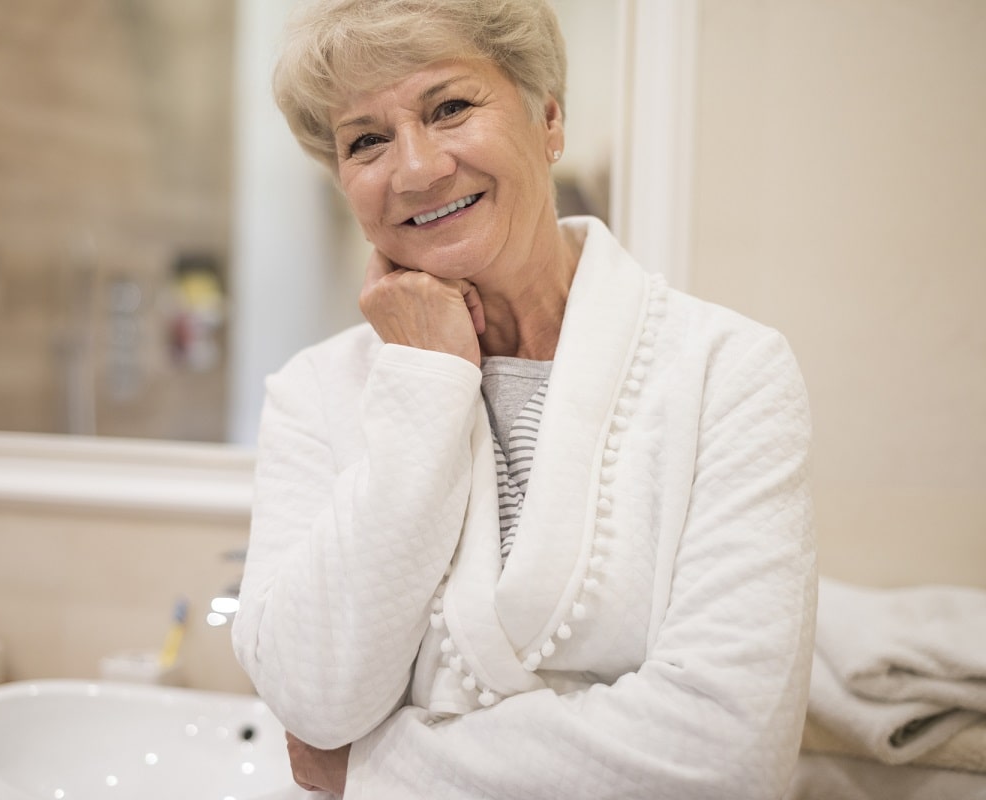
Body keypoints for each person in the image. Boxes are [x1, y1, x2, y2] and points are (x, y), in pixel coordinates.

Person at [232, 0, 817, 797]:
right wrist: (425, 384)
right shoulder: (314, 393)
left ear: (549, 118)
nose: (415, 169)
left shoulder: (728, 371)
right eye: (366, 140)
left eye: (450, 108)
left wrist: (373, 767)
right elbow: (313, 701)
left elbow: (725, 756)